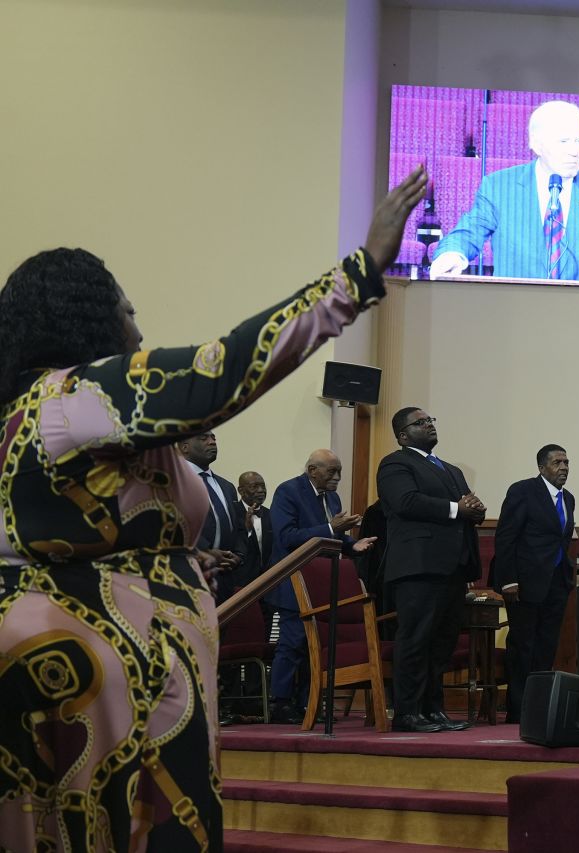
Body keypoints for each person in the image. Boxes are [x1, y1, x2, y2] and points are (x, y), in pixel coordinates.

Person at [0, 165, 426, 851]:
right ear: (86, 316)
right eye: (128, 311)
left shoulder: (22, 411)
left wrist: (171, 557)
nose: (138, 333)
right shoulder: (87, 394)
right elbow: (224, 369)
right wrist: (359, 274)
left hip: (54, 650)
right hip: (121, 672)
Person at [429, 100, 579, 285]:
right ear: (536, 144)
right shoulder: (499, 187)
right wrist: (452, 255)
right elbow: (469, 232)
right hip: (513, 312)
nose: (575, 151)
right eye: (563, 141)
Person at [376, 407, 485, 733]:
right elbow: (405, 502)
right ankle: (408, 712)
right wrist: (457, 508)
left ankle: (433, 709)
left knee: (442, 642)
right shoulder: (396, 463)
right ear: (403, 434)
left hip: (453, 566)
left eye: (431, 420)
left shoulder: (450, 469)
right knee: (415, 639)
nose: (429, 425)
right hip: (419, 565)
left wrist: (476, 510)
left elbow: (466, 505)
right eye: (421, 422)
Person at [265, 449, 375, 723]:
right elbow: (287, 536)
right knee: (292, 644)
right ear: (312, 470)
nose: (337, 477)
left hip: (323, 584)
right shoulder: (288, 491)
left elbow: (333, 535)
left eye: (338, 471)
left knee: (316, 644)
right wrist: (330, 527)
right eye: (332, 471)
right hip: (294, 580)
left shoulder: (332, 497)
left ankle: (307, 701)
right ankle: (281, 703)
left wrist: (352, 544)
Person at [492, 444, 575, 725]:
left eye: (566, 462)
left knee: (546, 647)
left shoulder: (569, 498)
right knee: (522, 648)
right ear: (542, 467)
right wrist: (508, 579)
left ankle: (539, 709)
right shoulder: (523, 491)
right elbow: (506, 537)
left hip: (556, 583)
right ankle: (517, 711)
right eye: (557, 463)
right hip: (524, 584)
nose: (563, 467)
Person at [179, 430, 248, 602]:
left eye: (213, 438)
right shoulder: (174, 482)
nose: (212, 442)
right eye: (203, 438)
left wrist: (238, 556)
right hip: (189, 575)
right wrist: (206, 552)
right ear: (184, 447)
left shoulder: (227, 486)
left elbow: (240, 526)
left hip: (223, 577)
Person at [233, 470, 274, 592]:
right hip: (240, 583)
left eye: (263, 486)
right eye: (255, 487)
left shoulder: (271, 514)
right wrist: (247, 529)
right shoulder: (231, 512)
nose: (261, 490)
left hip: (268, 582)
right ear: (241, 491)